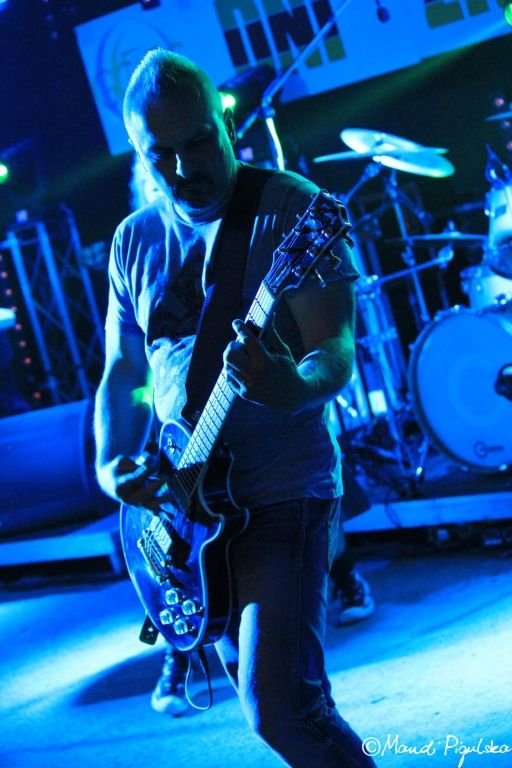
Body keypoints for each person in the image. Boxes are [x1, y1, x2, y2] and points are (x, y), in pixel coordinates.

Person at [94, 48, 377, 767]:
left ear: (225, 124)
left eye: (198, 142)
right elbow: (124, 370)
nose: (184, 168)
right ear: (137, 152)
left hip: (282, 492)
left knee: (277, 706)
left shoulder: (291, 210)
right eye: (161, 155)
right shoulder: (133, 242)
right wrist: (109, 462)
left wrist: (290, 385)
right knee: (289, 708)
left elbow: (334, 350)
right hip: (188, 511)